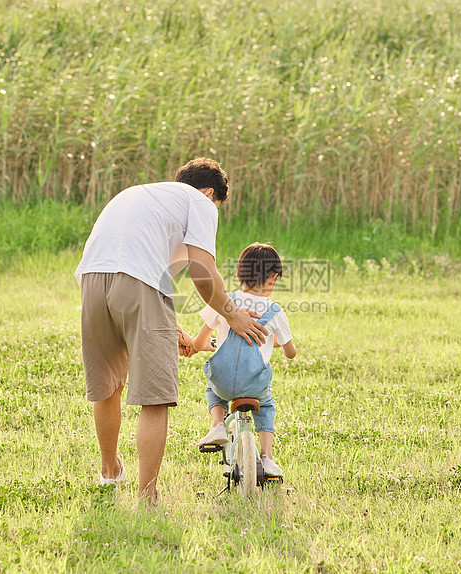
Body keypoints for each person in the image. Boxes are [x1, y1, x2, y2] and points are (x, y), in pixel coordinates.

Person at [75, 158, 268, 504]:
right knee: (155, 396)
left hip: (91, 279)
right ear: (211, 193)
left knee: (107, 386)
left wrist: (171, 325)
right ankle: (147, 496)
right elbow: (202, 272)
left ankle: (109, 474)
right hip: (135, 283)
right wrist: (233, 315)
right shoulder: (201, 203)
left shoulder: (145, 194)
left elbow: (154, 272)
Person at [185, 243, 296, 477]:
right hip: (255, 386)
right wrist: (275, 342)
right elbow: (290, 352)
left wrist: (201, 347)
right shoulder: (275, 311)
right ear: (273, 278)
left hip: (223, 384)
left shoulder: (222, 303)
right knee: (266, 405)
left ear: (238, 274)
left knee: (212, 387)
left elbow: (198, 343)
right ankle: (267, 457)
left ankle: (217, 425)